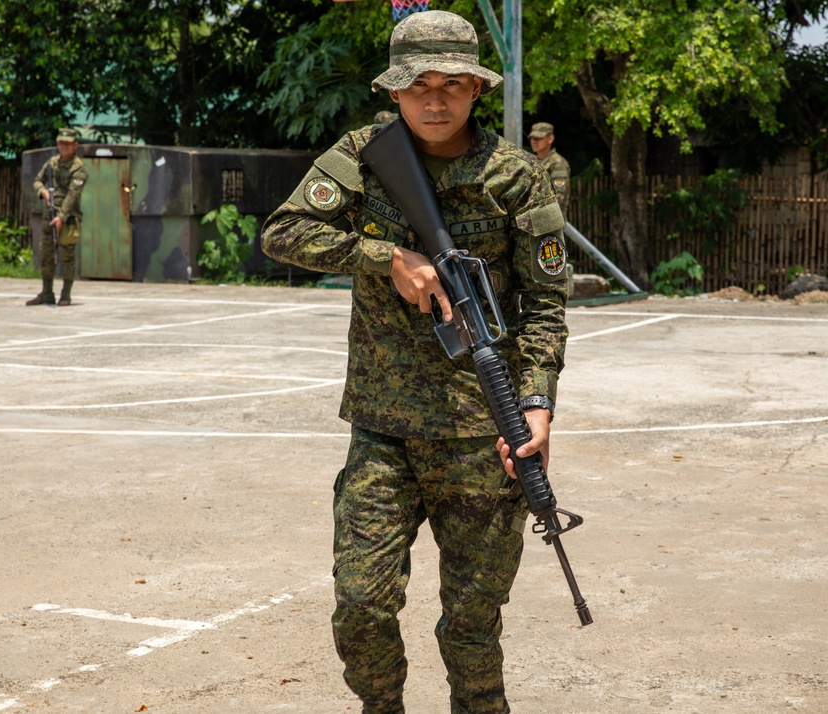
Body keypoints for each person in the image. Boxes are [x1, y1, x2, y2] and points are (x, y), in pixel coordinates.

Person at [261, 10, 568, 714]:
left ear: (476, 90)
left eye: (453, 85)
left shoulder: (515, 177)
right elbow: (283, 230)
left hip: (481, 437)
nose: (436, 100)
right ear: (395, 92)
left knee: (471, 631)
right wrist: (383, 257)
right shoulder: (366, 154)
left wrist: (536, 407)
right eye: (419, 85)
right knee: (361, 610)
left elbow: (546, 308)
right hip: (384, 430)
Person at [28, 128, 88, 306]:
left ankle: (66, 294)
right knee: (46, 255)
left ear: (75, 145)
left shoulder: (79, 169)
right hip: (49, 216)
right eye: (61, 143)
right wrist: (43, 192)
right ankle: (47, 293)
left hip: (68, 219)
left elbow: (72, 196)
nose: (64, 146)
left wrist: (61, 217)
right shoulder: (52, 163)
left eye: (68, 143)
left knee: (67, 256)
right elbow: (37, 180)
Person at [528, 121, 571, 215]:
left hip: (550, 222)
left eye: (538, 137)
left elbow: (558, 198)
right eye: (532, 137)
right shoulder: (532, 162)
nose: (534, 141)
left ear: (550, 139)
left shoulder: (558, 164)